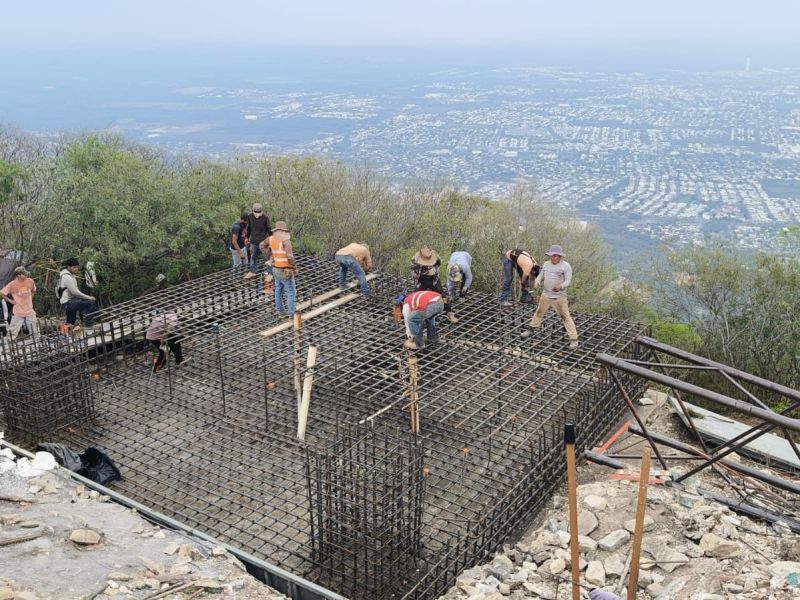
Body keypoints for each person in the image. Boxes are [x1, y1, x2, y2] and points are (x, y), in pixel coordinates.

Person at [520, 245, 579, 349]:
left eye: (555, 256)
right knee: (538, 313)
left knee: (566, 317)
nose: (552, 258)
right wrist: (537, 281)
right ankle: (531, 329)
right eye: (551, 255)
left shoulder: (566, 266)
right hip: (546, 295)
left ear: (560, 256)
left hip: (559, 297)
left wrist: (561, 286)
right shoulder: (546, 264)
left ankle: (574, 340)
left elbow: (568, 281)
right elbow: (541, 275)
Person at [411, 247, 458, 324]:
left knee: (442, 295)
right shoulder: (414, 260)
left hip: (434, 279)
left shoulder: (437, 259)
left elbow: (438, 266)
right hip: (421, 279)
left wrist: (432, 271)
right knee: (415, 295)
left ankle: (449, 313)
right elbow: (412, 270)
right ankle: (414, 314)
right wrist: (416, 274)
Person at [260, 221, 296, 318]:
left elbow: (261, 245)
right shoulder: (286, 240)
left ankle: (281, 312)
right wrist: (294, 267)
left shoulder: (271, 239)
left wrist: (270, 255)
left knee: (278, 290)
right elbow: (290, 257)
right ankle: (292, 315)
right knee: (291, 291)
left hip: (275, 268)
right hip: (285, 269)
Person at [0, 266, 39, 339]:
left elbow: (33, 290)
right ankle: (7, 347)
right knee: (12, 334)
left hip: (29, 311)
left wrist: (30, 298)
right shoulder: (12, 284)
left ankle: (37, 346)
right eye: (24, 274)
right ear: (18, 275)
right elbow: (2, 293)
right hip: (18, 312)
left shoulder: (30, 281)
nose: (26, 275)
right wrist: (11, 301)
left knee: (35, 334)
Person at [58, 258, 97, 330]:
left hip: (69, 300)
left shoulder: (70, 275)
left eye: (77, 267)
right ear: (68, 267)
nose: (76, 269)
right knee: (90, 303)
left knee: (70, 322)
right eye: (74, 267)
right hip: (68, 301)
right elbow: (75, 292)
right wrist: (89, 297)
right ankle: (89, 324)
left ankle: (68, 331)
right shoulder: (67, 277)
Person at [244, 202, 271, 277]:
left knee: (267, 258)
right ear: (253, 210)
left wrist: (270, 239)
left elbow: (269, 229)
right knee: (253, 257)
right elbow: (248, 228)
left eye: (258, 211)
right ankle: (252, 271)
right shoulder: (250, 216)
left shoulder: (265, 217)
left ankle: (268, 272)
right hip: (253, 241)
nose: (257, 213)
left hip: (263, 242)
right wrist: (246, 237)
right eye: (256, 211)